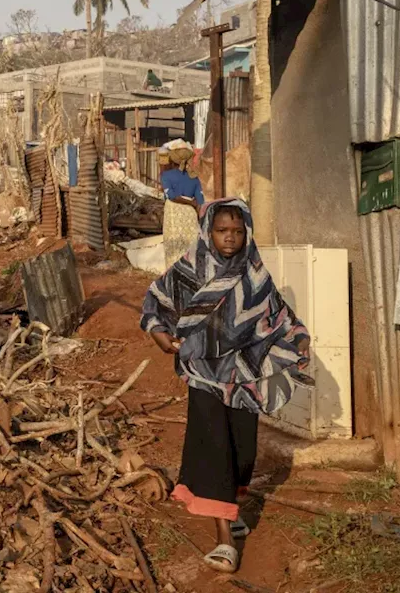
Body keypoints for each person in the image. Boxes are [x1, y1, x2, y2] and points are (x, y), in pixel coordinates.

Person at [141, 200, 311, 574]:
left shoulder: (255, 274)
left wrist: (297, 339)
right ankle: (224, 539)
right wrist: (158, 332)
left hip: (243, 377)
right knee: (215, 447)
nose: (230, 237)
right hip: (202, 371)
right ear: (208, 232)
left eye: (236, 230)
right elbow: (156, 301)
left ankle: (231, 507)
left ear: (246, 231)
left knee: (243, 449)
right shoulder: (190, 270)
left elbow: (280, 316)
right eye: (222, 230)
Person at [159, 144, 204, 265]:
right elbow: (200, 201)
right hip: (190, 214)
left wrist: (189, 202)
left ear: (173, 160)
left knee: (173, 247)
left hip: (173, 213)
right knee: (190, 246)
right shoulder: (194, 177)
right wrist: (194, 207)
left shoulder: (166, 176)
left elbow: (172, 196)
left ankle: (174, 274)